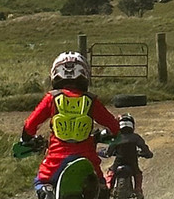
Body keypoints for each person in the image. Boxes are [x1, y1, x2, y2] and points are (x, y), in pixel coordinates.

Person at [20, 51, 120, 199]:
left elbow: (30, 125)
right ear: (84, 73)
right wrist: (110, 132)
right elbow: (114, 127)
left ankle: (46, 191)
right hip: (87, 161)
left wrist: (26, 138)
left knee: (41, 181)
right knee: (101, 186)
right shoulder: (91, 100)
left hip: (56, 160)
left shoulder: (51, 98)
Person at [100, 113, 154, 198]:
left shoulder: (117, 138)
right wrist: (148, 154)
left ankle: (108, 188)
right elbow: (145, 149)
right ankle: (138, 190)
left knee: (111, 172)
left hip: (119, 162)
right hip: (132, 162)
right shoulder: (136, 137)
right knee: (138, 174)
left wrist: (103, 153)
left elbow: (108, 152)